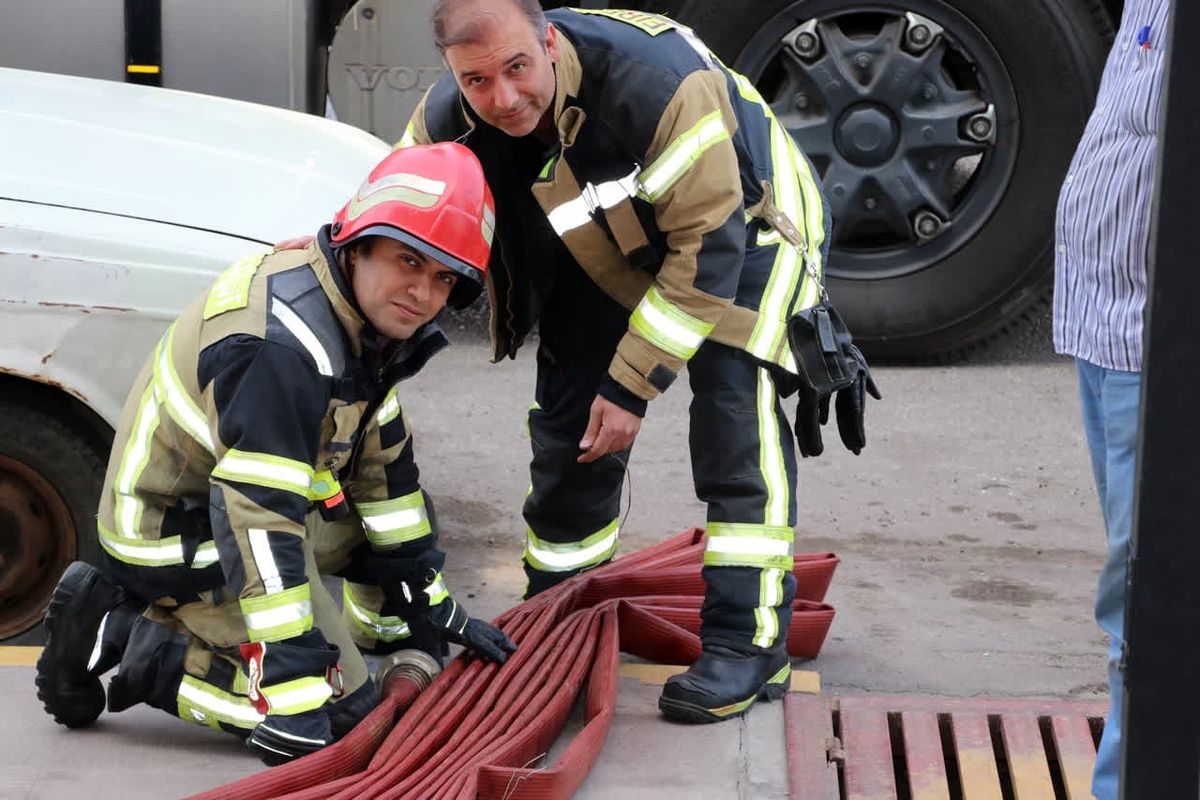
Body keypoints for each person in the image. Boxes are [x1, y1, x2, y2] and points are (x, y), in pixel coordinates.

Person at [398, 0, 874, 724]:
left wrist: (630, 385)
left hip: (749, 227)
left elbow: (709, 250)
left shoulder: (656, 84)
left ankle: (746, 646)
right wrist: (321, 261)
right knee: (568, 430)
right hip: (613, 241)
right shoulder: (443, 120)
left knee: (731, 415)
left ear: (549, 41)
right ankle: (557, 613)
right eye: (476, 81)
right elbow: (395, 219)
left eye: (518, 68)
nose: (503, 99)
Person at [34, 142, 516, 765]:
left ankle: (376, 632)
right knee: (341, 717)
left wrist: (430, 608)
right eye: (408, 261)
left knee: (399, 525)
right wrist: (292, 681)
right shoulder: (281, 347)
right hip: (172, 533)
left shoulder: (369, 319)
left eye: (444, 277)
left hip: (245, 508)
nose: (423, 292)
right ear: (358, 242)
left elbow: (386, 477)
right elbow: (257, 520)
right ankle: (119, 635)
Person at [1053, 1, 1168, 796]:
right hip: (1101, 318)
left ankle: (1127, 785)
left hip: (1147, 341)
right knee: (1129, 581)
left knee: (1145, 589)